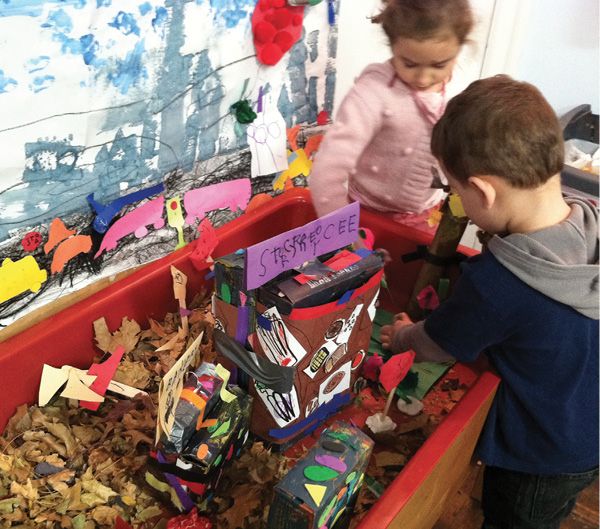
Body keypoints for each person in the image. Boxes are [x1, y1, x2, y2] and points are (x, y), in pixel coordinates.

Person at [380, 75, 599, 529]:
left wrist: (402, 335)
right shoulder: (588, 220)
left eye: (458, 192)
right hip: (587, 427)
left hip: (539, 453)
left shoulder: (498, 282)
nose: (458, 201)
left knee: (515, 518)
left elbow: (439, 343)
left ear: (482, 192)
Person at [310, 0, 474, 230]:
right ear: (393, 45)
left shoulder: (452, 91)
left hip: (428, 214)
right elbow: (327, 171)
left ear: (459, 48)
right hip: (368, 216)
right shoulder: (372, 95)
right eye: (408, 63)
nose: (423, 79)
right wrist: (341, 231)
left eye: (438, 66)